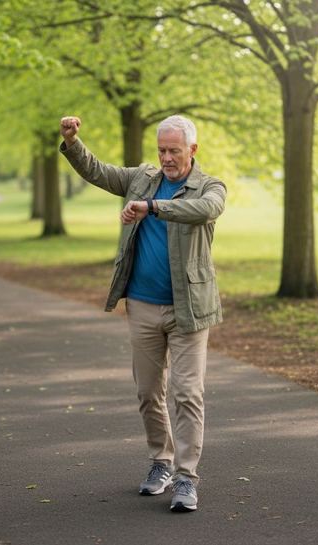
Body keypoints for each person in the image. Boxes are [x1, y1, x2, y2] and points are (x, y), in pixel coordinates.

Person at [59, 115, 226, 512]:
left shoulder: (210, 186)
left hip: (190, 309)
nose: (167, 158)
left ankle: (187, 477)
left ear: (193, 150)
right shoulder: (141, 178)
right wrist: (72, 141)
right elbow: (99, 172)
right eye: (162, 150)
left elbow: (203, 210)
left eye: (174, 150)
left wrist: (152, 207)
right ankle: (161, 462)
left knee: (187, 394)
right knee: (148, 392)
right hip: (142, 305)